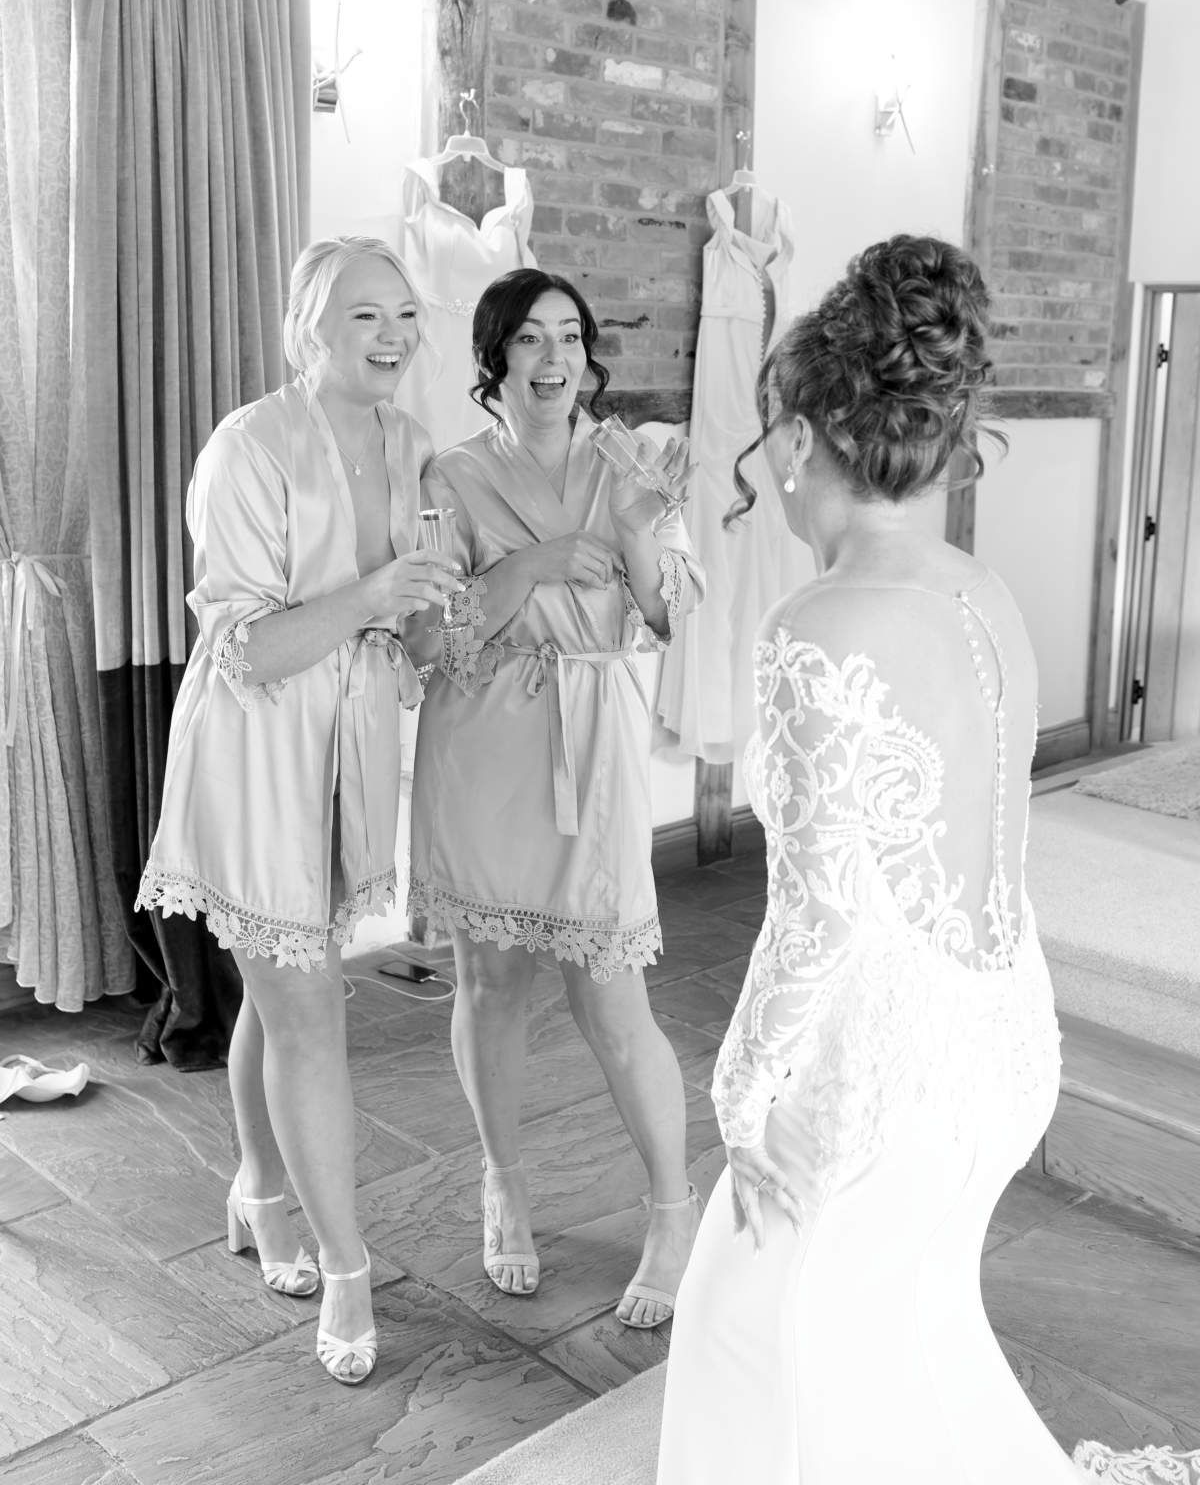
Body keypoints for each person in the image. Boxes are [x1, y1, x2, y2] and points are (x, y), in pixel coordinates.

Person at [655, 233, 1082, 1482]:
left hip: (887, 1083)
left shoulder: (815, 626)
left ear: (796, 440)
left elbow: (817, 920)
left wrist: (742, 1098)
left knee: (746, 1332)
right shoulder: (981, 589)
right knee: (905, 1331)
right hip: (1004, 1048)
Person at [136, 236, 460, 1386]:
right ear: (311, 327)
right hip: (258, 754)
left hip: (348, 754)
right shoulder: (249, 446)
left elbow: (417, 637)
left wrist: (434, 612)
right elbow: (252, 648)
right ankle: (348, 1266)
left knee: (286, 994)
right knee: (309, 1008)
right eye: (365, 317)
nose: (391, 337)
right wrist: (375, 593)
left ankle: (259, 1187)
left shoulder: (416, 446)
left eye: (406, 317)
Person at [409, 267, 704, 1327]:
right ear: (496, 360)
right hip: (484, 747)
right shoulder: (447, 476)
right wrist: (531, 564)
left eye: (570, 338)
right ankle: (505, 1184)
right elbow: (426, 640)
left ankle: (673, 1209)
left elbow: (672, 618)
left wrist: (631, 527)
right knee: (489, 985)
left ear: (589, 355)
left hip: (597, 744)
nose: (553, 360)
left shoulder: (634, 462)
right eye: (529, 341)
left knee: (613, 999)